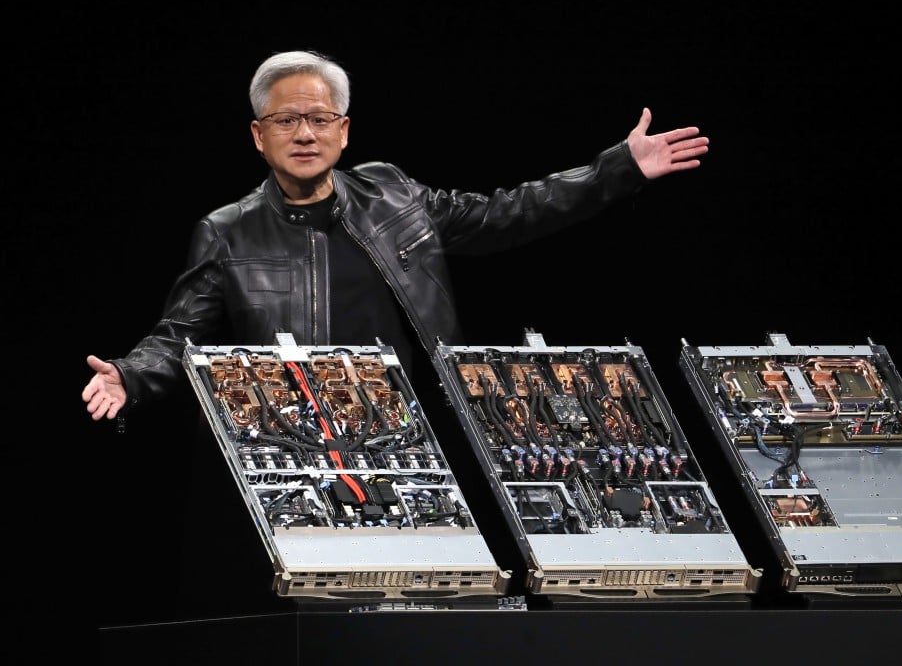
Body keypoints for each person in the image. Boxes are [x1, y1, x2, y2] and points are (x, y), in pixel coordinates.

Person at [82, 49, 709, 422]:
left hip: (431, 427)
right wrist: (129, 376)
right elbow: (180, 334)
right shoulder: (227, 231)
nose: (305, 133)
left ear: (344, 130)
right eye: (287, 120)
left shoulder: (394, 193)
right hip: (318, 439)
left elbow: (508, 213)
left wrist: (616, 170)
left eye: (319, 118)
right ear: (258, 135)